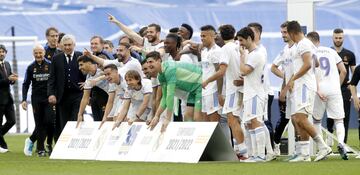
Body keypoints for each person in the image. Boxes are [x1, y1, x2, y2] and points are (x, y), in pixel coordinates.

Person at [281, 21, 331, 162]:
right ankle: (304, 154)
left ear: (292, 33)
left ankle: (323, 147)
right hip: (301, 85)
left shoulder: (303, 43)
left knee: (301, 119)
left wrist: (293, 78)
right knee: (297, 119)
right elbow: (317, 63)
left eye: (287, 33)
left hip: (304, 86)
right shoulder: (305, 44)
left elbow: (308, 64)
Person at [306, 31, 348, 160]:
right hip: (334, 89)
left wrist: (318, 89)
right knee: (339, 120)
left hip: (320, 89)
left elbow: (313, 73)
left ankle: (322, 149)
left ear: (310, 41)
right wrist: (337, 85)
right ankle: (341, 143)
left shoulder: (311, 53)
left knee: (317, 120)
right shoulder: (331, 51)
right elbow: (344, 71)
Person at [147, 56, 202, 132]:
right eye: (147, 62)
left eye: (151, 61)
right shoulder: (160, 76)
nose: (148, 64)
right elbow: (164, 98)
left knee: (197, 117)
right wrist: (156, 116)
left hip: (200, 84)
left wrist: (168, 119)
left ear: (159, 61)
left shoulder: (169, 69)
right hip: (193, 91)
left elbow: (170, 96)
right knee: (187, 118)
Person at [47, 34, 86, 141]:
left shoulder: (81, 56)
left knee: (75, 119)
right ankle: (64, 145)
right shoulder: (56, 59)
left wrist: (87, 85)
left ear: (74, 45)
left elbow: (87, 74)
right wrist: (51, 94)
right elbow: (52, 78)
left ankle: (75, 143)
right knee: (63, 122)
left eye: (69, 45)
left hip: (78, 95)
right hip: (62, 96)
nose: (67, 47)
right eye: (65, 45)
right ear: (61, 46)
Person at [238, 26, 267, 162]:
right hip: (250, 93)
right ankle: (254, 155)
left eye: (241, 40)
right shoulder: (252, 54)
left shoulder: (256, 54)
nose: (240, 44)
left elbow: (244, 70)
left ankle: (261, 155)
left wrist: (242, 57)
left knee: (255, 122)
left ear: (249, 38)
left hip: (255, 94)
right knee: (250, 124)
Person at [218, 24, 246, 159]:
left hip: (233, 89)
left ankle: (244, 151)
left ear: (221, 35)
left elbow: (222, 71)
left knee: (232, 120)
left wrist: (206, 81)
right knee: (239, 120)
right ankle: (243, 149)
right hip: (243, 87)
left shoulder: (225, 49)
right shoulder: (240, 47)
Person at [248, 22, 276, 160]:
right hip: (257, 90)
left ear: (258, 33)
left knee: (261, 121)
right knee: (258, 121)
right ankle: (269, 152)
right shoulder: (252, 50)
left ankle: (267, 152)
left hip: (263, 91)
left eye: (251, 31)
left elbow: (260, 73)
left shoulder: (260, 50)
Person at [22, 44, 53, 157]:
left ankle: (32, 140)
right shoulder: (30, 67)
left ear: (44, 53)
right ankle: (40, 149)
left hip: (49, 98)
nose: (38, 55)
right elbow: (25, 84)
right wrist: (24, 99)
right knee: (39, 124)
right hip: (36, 99)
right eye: (36, 53)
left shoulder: (50, 65)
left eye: (40, 53)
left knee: (49, 122)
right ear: (33, 54)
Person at [328, 28, 356, 145]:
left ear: (343, 38)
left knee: (345, 116)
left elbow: (354, 73)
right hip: (329, 88)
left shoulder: (349, 54)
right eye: (336, 38)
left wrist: (352, 87)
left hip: (344, 89)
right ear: (332, 38)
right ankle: (328, 144)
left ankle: (342, 144)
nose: (338, 40)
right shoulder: (327, 52)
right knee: (329, 117)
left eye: (340, 38)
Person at [271, 21, 295, 156]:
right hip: (285, 90)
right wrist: (285, 78)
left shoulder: (298, 48)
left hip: (296, 91)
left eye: (285, 32)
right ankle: (277, 145)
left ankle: (301, 148)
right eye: (281, 32)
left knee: (299, 119)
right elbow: (273, 67)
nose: (283, 35)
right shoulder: (284, 50)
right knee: (284, 120)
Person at [76, 55, 110, 128]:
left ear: (89, 63)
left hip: (116, 99)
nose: (79, 68)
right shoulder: (88, 78)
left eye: (81, 65)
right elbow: (85, 98)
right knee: (99, 125)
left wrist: (99, 78)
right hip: (103, 100)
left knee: (108, 124)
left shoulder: (102, 69)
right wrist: (80, 114)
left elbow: (115, 73)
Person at [199, 25, 224, 121]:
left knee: (214, 124)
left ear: (212, 36)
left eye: (204, 36)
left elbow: (220, 73)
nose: (202, 38)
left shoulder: (217, 51)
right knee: (206, 124)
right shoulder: (204, 51)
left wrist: (220, 93)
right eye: (201, 36)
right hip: (205, 91)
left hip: (214, 91)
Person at [89, 36, 112, 121]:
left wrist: (98, 79)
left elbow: (111, 73)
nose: (93, 45)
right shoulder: (91, 56)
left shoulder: (106, 56)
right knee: (96, 121)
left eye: (96, 43)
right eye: (92, 44)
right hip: (95, 94)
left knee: (105, 121)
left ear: (102, 45)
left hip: (105, 94)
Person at [0, 44, 17, 153]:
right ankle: (3, 146)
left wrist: (13, 79)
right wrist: (8, 79)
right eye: (0, 51)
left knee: (12, 121)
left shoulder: (7, 64)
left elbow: (9, 79)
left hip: (8, 99)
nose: (1, 53)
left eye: (3, 51)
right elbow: (5, 80)